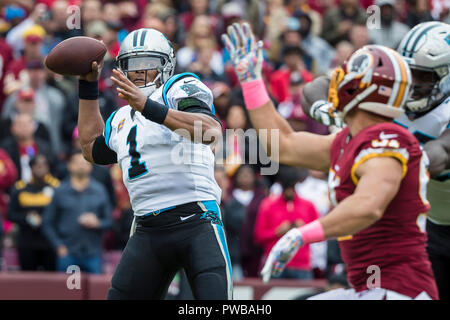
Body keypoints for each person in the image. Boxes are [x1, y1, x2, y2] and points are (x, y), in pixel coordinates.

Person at [222, 23, 437, 299]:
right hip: (368, 287)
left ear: (363, 87)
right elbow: (282, 146)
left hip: (399, 289)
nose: (337, 80)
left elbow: (369, 206)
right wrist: (251, 81)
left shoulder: (389, 139)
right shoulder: (349, 141)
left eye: (346, 75)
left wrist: (302, 235)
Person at [77, 28, 231, 299]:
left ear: (166, 65)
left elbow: (210, 131)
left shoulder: (177, 87)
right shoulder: (119, 117)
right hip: (147, 226)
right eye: (131, 66)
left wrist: (148, 107)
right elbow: (91, 150)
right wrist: (88, 87)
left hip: (196, 218)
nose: (138, 73)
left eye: (147, 64)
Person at [395, 21, 450, 300]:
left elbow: (441, 153)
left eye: (422, 76)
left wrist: (389, 163)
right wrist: (325, 107)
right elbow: (318, 88)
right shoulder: (392, 94)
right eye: (407, 73)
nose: (412, 83)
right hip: (429, 225)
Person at [42, 150, 112, 274]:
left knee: (95, 292)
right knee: (67, 292)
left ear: (91, 166)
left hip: (93, 252)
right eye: (77, 162)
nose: (81, 166)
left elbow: (110, 221)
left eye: (85, 162)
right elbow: (47, 222)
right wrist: (58, 246)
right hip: (67, 252)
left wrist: (98, 223)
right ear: (69, 165)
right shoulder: (60, 191)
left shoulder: (100, 190)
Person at [255, 165, 320, 280]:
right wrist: (277, 231)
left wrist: (304, 231)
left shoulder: (308, 206)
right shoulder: (268, 205)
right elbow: (259, 236)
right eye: (286, 187)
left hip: (301, 265)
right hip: (276, 263)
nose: (289, 191)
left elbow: (320, 234)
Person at [7, 154, 58, 271]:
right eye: (37, 165)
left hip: (49, 241)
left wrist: (45, 219)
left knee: (51, 280)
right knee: (28, 279)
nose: (40, 168)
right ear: (30, 167)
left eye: (44, 165)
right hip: (26, 241)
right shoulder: (19, 188)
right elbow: (11, 214)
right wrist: (26, 218)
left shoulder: (56, 188)